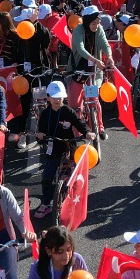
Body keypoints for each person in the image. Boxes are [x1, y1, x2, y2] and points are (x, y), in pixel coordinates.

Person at [31, 81, 92, 218]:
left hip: (69, 145)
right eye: (54, 97)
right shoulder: (45, 114)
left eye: (60, 97)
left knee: (73, 174)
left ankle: (72, 199)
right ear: (48, 98)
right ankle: (46, 204)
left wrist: (87, 132)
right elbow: (40, 131)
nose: (57, 99)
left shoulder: (68, 111)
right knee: (47, 177)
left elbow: (79, 123)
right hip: (53, 147)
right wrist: (40, 136)